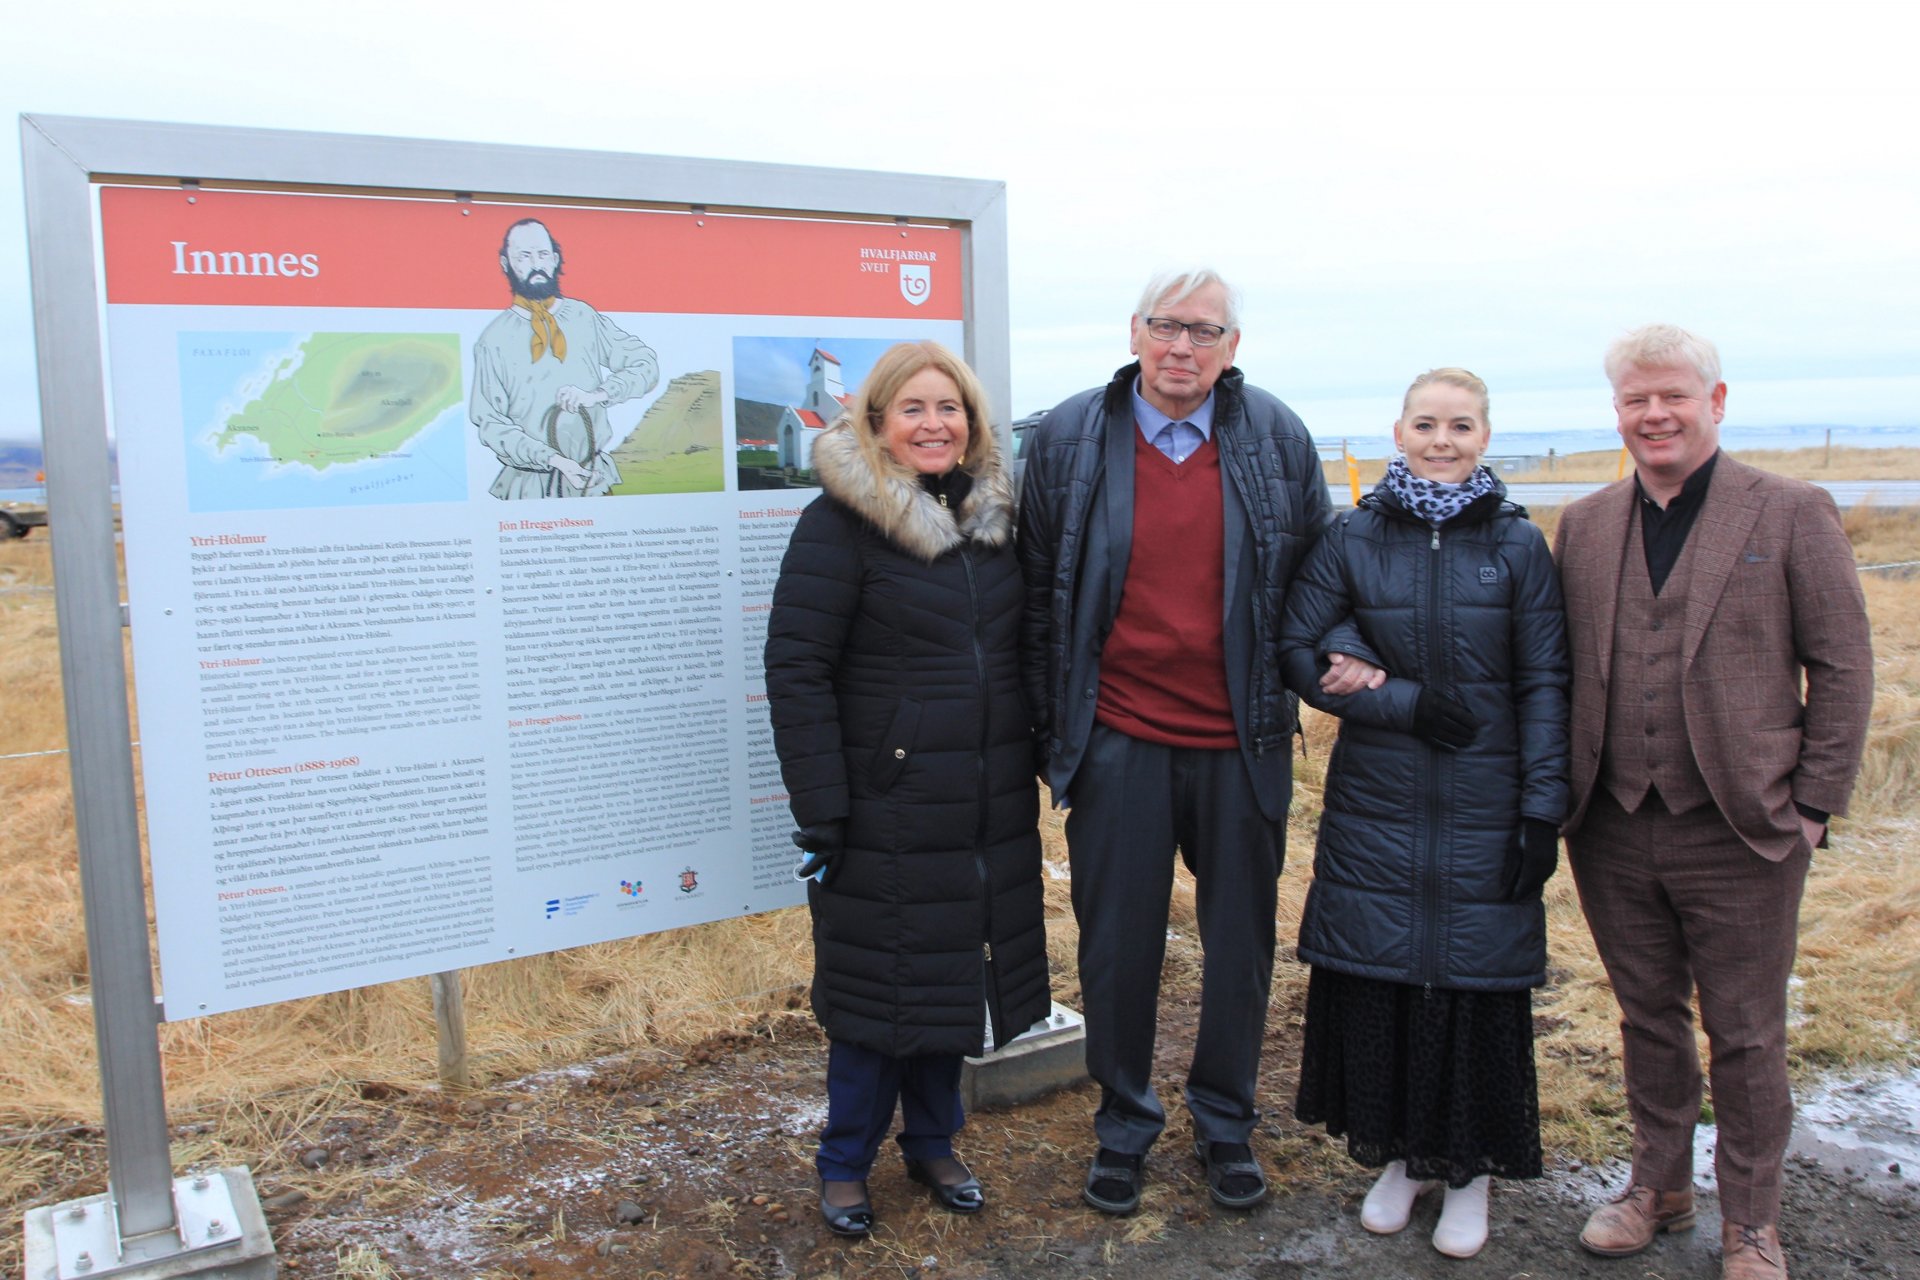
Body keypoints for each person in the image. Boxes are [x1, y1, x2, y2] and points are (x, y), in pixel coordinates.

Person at [1018, 268, 1368, 1213]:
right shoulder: (1070, 436)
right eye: (1167, 327)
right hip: (1117, 738)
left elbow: (1313, 580)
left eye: (1204, 330)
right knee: (1116, 951)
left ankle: (1224, 1124)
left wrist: (1339, 656)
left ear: (1232, 346)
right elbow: (1039, 589)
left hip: (1238, 738)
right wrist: (1051, 736)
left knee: (1241, 950)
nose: (1183, 347)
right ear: (1133, 332)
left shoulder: (1275, 436)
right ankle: (1123, 1126)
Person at [1556, 325, 1873, 1280]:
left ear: (1716, 402)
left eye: (1673, 398)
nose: (1654, 415)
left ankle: (1752, 1223)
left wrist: (1812, 803)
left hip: (1744, 827)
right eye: (1635, 401)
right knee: (1646, 1017)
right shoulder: (1587, 523)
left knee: (1745, 1032)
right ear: (1617, 412)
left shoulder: (1789, 510)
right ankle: (1658, 1185)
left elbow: (1845, 664)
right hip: (1610, 825)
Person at [1279, 368, 1570, 1258]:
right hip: (1381, 804)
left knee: (1474, 990)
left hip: (1488, 804)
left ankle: (1470, 1173)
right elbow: (1297, 644)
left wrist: (1542, 810)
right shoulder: (1353, 535)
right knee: (1389, 980)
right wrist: (1401, 701)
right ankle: (1404, 1159)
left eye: (1462, 425)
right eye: (1427, 424)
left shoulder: (1518, 547)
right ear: (1398, 431)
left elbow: (1546, 680)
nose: (1443, 440)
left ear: (1486, 436)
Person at [765, 340, 1051, 1238]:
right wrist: (826, 808)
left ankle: (933, 1143)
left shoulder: (993, 525)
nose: (935, 424)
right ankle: (844, 1161)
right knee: (874, 998)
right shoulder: (839, 525)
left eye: (950, 408)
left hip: (984, 802)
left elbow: (1024, 653)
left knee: (952, 981)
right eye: (915, 410)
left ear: (971, 426)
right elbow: (796, 669)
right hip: (881, 806)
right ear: (878, 424)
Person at [470, 218, 659, 498]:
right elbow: (490, 422)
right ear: (505, 263)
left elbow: (645, 363)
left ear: (555, 259)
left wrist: (598, 395)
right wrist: (554, 460)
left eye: (543, 254)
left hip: (593, 479)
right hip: (530, 485)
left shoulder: (584, 317)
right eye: (524, 255)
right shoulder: (493, 339)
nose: (536, 263)